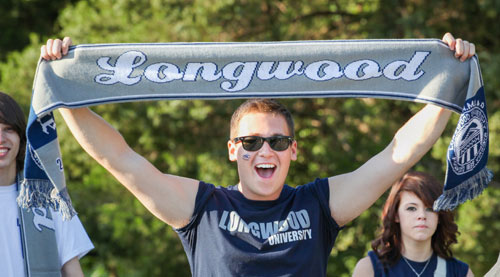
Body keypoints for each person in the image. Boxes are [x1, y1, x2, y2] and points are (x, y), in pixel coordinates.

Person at [40, 33, 475, 276]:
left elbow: (396, 156)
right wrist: (67, 92)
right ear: (233, 150)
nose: (264, 150)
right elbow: (120, 158)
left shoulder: (318, 204)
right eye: (251, 142)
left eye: (277, 141)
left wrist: (446, 81)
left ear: (292, 150)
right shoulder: (203, 209)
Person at [0, 91, 94, 276]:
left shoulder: (49, 197)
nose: (1, 138)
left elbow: (73, 271)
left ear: (20, 136)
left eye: (8, 129)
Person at [352, 171, 473, 276]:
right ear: (396, 215)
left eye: (430, 209)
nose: (422, 215)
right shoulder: (370, 269)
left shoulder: (460, 272)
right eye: (411, 208)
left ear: (439, 216)